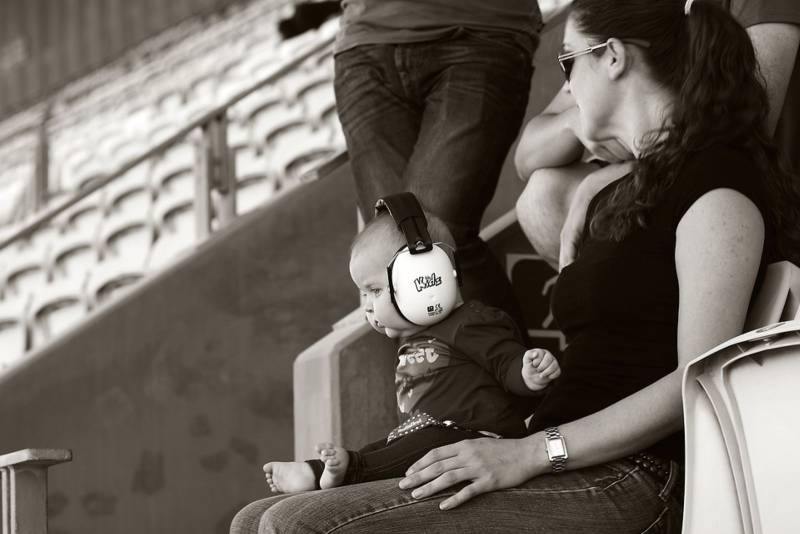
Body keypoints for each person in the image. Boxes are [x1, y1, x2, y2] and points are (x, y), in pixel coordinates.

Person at [230, 1, 800, 532]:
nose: (567, 84)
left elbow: (693, 385)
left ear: (613, 57)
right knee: (257, 516)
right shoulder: (618, 192)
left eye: (568, 62)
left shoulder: (719, 191)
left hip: (637, 474)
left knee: (295, 525)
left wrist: (532, 452)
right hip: (564, 456)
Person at [261, 200, 560, 493]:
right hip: (430, 436)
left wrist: (529, 372)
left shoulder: (471, 321)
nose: (367, 306)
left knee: (417, 444)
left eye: (374, 290)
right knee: (387, 446)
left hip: (472, 440)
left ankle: (349, 471)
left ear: (425, 278)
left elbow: (506, 365)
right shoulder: (414, 338)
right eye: (364, 294)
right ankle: (318, 471)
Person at [516, 0, 799, 271]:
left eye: (569, 61)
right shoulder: (623, 20)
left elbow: (742, 126)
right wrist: (575, 122)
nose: (570, 75)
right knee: (542, 193)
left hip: (729, 184)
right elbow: (525, 158)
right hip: (664, 174)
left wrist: (597, 184)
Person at [332, 0, 543, 333]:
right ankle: (438, 383)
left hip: (481, 29)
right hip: (366, 41)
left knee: (428, 241)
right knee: (391, 256)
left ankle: (515, 378)